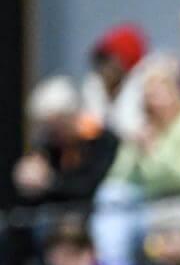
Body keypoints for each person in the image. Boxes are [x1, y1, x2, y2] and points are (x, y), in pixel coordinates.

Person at [91, 58, 180, 265]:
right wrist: (133, 148)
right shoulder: (145, 129)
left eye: (159, 90)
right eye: (148, 92)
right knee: (111, 196)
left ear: (176, 91)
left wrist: (154, 152)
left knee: (152, 221)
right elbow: (118, 177)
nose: (152, 98)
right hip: (144, 205)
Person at [13, 75, 118, 204]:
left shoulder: (100, 140)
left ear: (70, 118)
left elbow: (92, 186)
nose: (51, 134)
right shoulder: (49, 146)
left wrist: (51, 182)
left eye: (55, 127)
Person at [81, 22, 150, 140]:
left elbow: (129, 129)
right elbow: (89, 130)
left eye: (109, 61)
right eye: (101, 62)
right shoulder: (95, 87)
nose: (103, 69)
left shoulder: (143, 86)